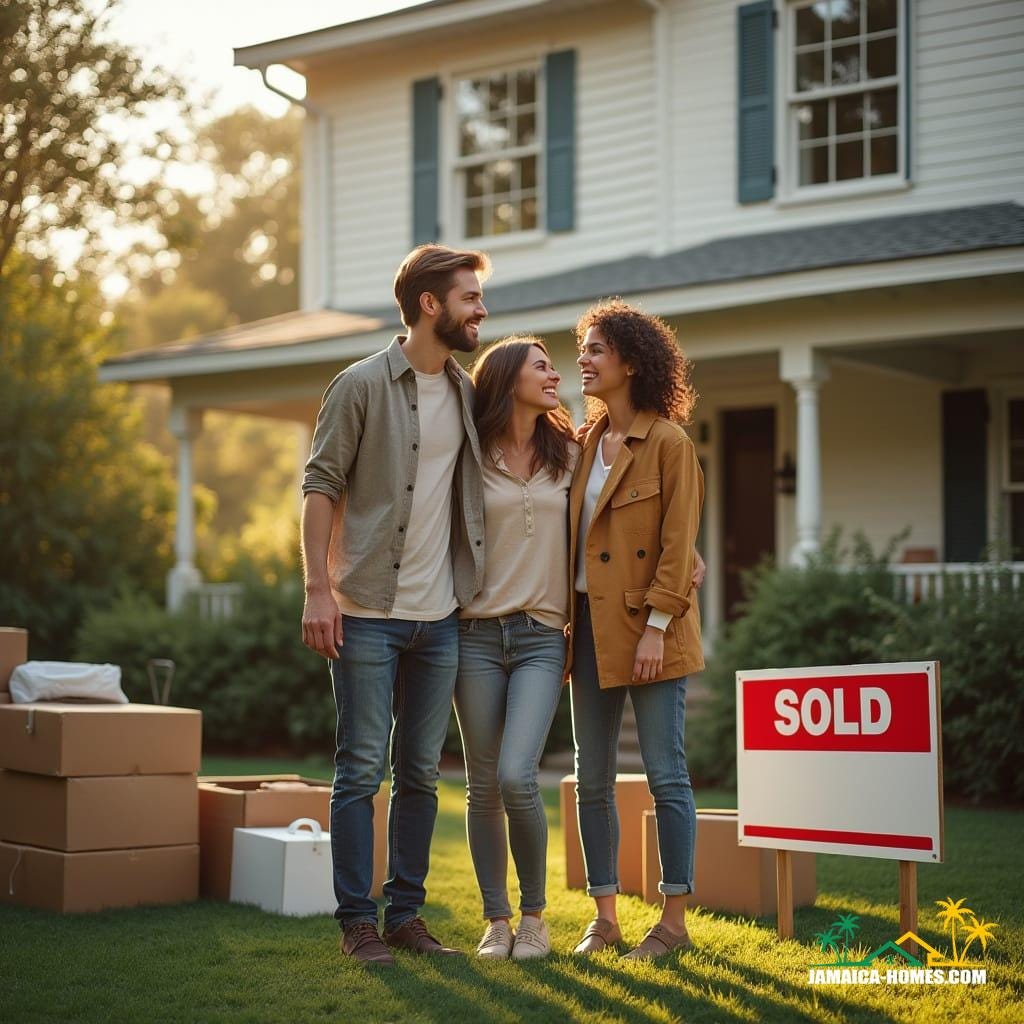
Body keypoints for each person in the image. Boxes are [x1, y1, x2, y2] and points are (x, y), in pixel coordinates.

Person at [300, 244, 489, 967]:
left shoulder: (470, 395)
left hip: (439, 617)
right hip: (367, 611)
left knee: (418, 773)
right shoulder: (359, 385)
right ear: (431, 304)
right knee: (358, 770)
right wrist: (319, 589)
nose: (480, 309)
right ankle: (358, 924)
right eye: (469, 296)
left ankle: (405, 915)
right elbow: (320, 487)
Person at [567, 298, 704, 961]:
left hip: (654, 631)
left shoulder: (671, 444)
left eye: (595, 349)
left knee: (665, 776)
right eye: (582, 349)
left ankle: (673, 922)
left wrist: (655, 627)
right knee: (590, 777)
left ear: (630, 360)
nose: (583, 359)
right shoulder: (582, 443)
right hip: (588, 629)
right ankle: (605, 918)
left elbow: (679, 548)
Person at [453, 337, 577, 961]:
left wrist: (683, 552)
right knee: (482, 786)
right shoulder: (468, 455)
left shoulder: (570, 455)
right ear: (507, 380)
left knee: (515, 774)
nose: (556, 374)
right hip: (474, 635)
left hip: (541, 638)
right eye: (542, 367)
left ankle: (534, 917)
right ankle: (496, 921)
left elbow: (618, 515)